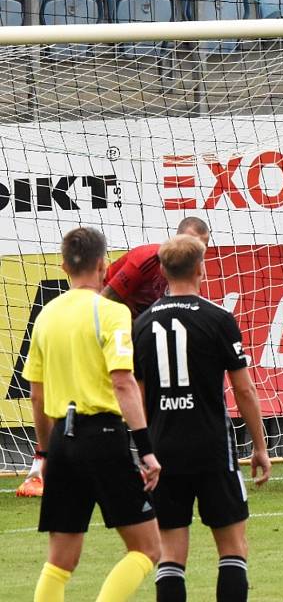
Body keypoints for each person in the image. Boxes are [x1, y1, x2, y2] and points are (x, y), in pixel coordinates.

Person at [17, 216, 209, 498]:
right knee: (116, 391)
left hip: (131, 330)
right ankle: (44, 464)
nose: (197, 252)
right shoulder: (146, 260)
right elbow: (102, 300)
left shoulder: (185, 270)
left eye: (202, 247)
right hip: (108, 331)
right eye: (193, 244)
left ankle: (154, 456)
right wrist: (120, 336)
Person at [22, 226, 161, 602]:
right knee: (148, 549)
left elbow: (37, 396)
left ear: (65, 266)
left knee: (59, 562)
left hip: (62, 444)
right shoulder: (112, 312)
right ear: (104, 265)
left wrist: (45, 453)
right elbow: (123, 383)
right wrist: (146, 449)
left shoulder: (46, 316)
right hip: (102, 437)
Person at [133, 234, 271, 602]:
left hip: (163, 451)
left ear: (162, 271)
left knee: (171, 554)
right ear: (201, 269)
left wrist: (144, 449)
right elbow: (244, 391)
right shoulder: (219, 319)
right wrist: (260, 447)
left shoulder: (142, 325)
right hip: (212, 448)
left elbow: (137, 397)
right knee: (232, 548)